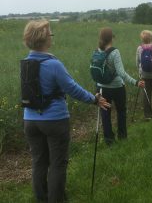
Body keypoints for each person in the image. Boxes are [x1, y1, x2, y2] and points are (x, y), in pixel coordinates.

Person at [22, 20, 110, 203]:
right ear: (45, 39)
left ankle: (42, 198)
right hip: (54, 121)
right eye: (50, 34)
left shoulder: (26, 63)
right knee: (57, 165)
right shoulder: (54, 65)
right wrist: (94, 99)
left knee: (39, 162)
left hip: (30, 120)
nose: (51, 37)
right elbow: (73, 89)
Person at [95, 27, 144, 145]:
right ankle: (122, 136)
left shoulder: (97, 51)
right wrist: (136, 82)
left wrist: (96, 88)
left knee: (105, 113)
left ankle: (109, 140)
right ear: (112, 38)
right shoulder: (114, 52)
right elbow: (121, 73)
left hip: (101, 87)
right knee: (121, 111)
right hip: (117, 87)